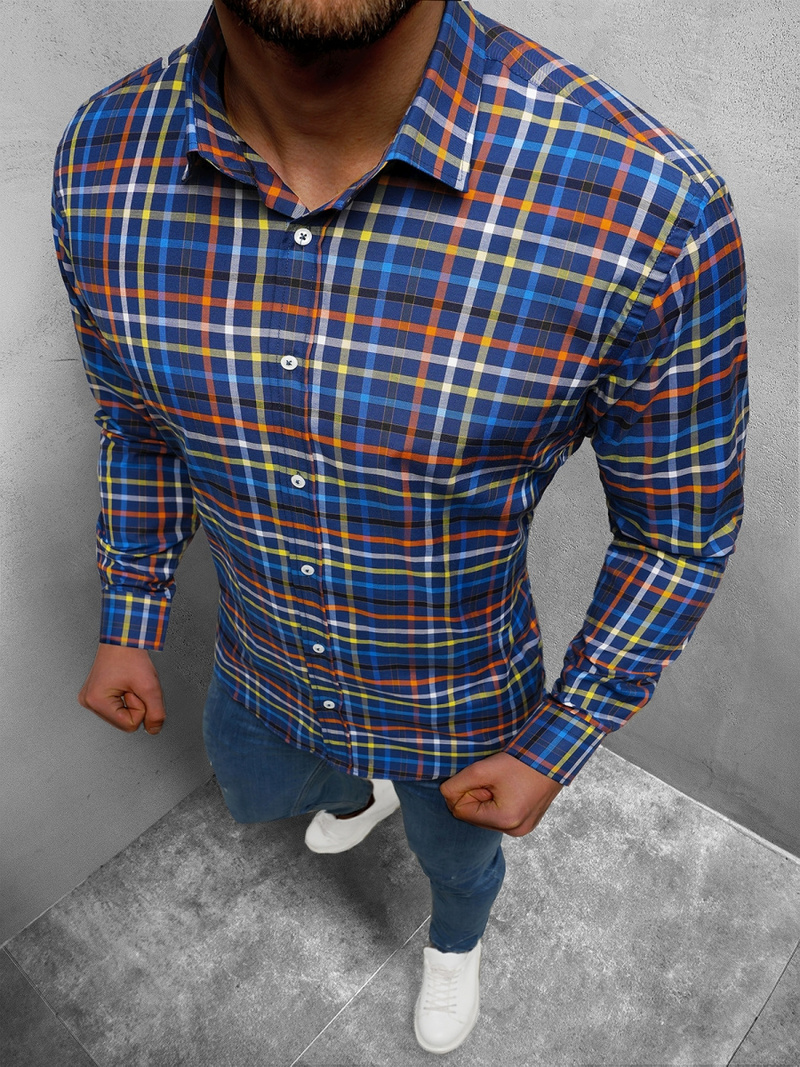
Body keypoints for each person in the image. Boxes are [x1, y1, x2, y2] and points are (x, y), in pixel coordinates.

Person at [54, 0, 747, 1055]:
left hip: (452, 692)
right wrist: (130, 614)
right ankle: (354, 791)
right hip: (265, 653)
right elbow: (137, 423)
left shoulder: (647, 206)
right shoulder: (100, 161)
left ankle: (455, 940)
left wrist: (562, 733)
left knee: (457, 854)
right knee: (296, 777)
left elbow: (676, 534)